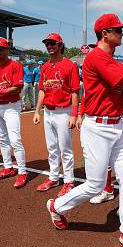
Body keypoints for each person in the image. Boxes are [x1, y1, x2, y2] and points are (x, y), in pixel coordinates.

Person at [46, 13, 123, 247]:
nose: (122, 33)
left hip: (115, 126)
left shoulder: (112, 61)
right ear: (105, 34)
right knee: (95, 186)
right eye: (118, 30)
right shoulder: (96, 56)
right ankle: (57, 207)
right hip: (97, 128)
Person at [33, 33, 80, 197]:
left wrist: (74, 115)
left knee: (65, 148)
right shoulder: (44, 66)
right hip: (48, 112)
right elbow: (42, 90)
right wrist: (37, 111)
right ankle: (53, 177)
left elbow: (75, 92)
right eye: (47, 44)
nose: (49, 46)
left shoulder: (70, 65)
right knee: (51, 148)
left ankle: (69, 181)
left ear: (60, 45)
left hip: (63, 112)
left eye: (53, 44)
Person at [0, 37, 29, 188]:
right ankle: (8, 167)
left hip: (12, 106)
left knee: (15, 139)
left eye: (0, 49)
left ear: (7, 50)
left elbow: (17, 88)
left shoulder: (15, 66)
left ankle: (22, 171)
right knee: (2, 139)